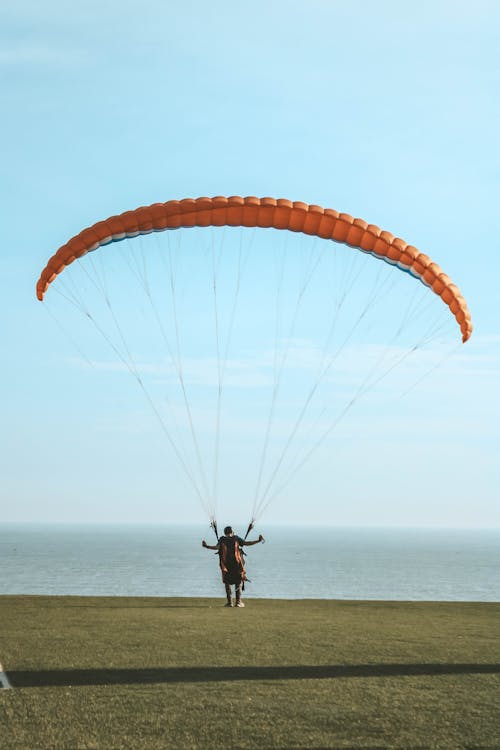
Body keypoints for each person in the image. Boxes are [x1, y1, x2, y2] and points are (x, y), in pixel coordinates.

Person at [202, 525, 264, 607]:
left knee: (227, 582)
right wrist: (258, 540)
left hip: (226, 565)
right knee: (238, 582)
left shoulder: (222, 539)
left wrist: (207, 546)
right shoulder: (236, 538)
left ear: (225, 533)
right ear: (232, 532)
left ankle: (229, 602)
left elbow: (217, 548)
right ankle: (238, 602)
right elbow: (246, 543)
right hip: (237, 564)